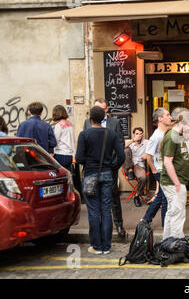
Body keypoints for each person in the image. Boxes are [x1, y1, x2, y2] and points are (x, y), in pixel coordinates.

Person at [75, 106, 125, 255]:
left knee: (93, 211)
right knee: (106, 210)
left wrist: (89, 163)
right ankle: (107, 246)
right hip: (107, 174)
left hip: (90, 174)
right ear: (104, 118)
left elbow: (78, 158)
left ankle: (96, 245)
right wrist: (112, 166)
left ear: (90, 119)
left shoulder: (84, 134)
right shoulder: (111, 134)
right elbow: (121, 155)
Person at [160, 107, 189, 240]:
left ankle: (167, 242)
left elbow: (178, 156)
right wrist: (177, 183)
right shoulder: (172, 137)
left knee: (172, 213)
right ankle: (176, 242)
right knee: (178, 214)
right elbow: (167, 162)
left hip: (176, 182)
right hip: (174, 183)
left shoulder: (178, 136)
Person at [142, 107, 172, 226]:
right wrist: (155, 172)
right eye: (168, 115)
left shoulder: (165, 133)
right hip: (161, 171)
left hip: (165, 170)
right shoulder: (156, 136)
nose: (170, 117)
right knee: (165, 200)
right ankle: (166, 227)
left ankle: (145, 220)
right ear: (160, 119)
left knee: (160, 197)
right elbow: (148, 156)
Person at [123, 127, 149, 207]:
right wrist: (133, 140)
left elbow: (153, 149)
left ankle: (137, 196)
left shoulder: (146, 142)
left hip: (139, 166)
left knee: (143, 178)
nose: (139, 136)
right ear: (133, 134)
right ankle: (130, 170)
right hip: (129, 165)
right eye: (137, 134)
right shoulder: (129, 142)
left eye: (141, 134)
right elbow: (121, 146)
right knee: (126, 150)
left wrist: (147, 154)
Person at [52, 105, 75, 171]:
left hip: (61, 154)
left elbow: (55, 141)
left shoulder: (58, 125)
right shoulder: (70, 124)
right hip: (70, 155)